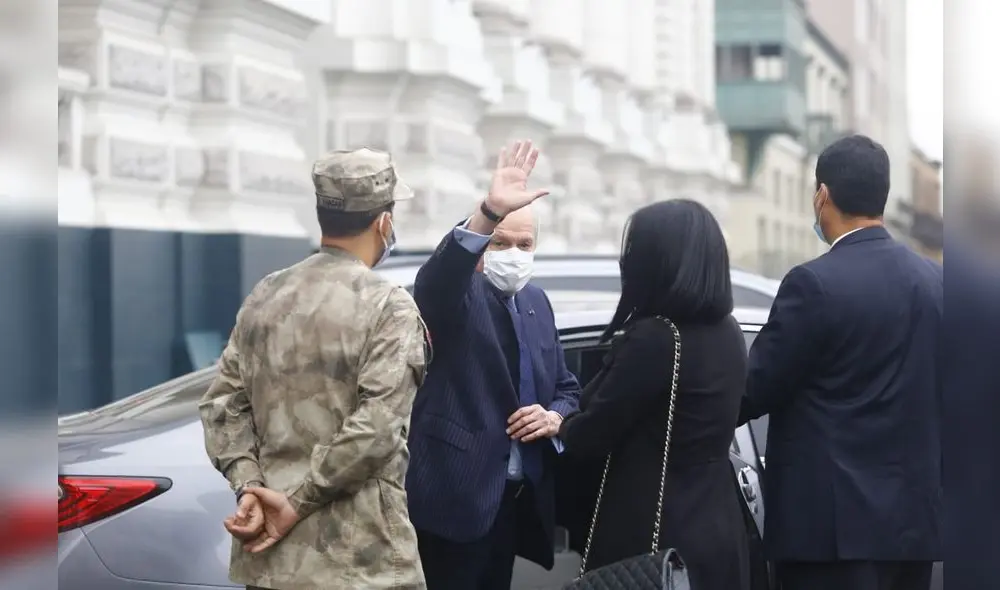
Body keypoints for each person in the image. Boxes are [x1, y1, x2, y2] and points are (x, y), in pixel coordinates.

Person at [199, 148, 432, 590]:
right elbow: (378, 428)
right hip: (359, 561)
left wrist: (248, 486)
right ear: (385, 221)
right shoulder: (388, 306)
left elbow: (222, 406)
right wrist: (297, 502)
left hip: (272, 563)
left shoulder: (266, 293)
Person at [738, 135, 943, 590]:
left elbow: (754, 389)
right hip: (913, 529)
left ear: (821, 196)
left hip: (829, 537)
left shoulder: (812, 283)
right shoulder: (937, 283)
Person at [406, 140, 582, 590]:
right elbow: (434, 285)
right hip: (455, 502)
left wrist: (554, 416)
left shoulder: (537, 302)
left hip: (512, 503)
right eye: (501, 241)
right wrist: (488, 212)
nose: (514, 252)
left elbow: (566, 386)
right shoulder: (462, 294)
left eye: (524, 243)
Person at [556, 199, 755, 590]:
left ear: (655, 261)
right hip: (718, 526)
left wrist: (560, 425)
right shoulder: (728, 331)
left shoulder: (655, 338)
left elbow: (592, 434)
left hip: (656, 533)